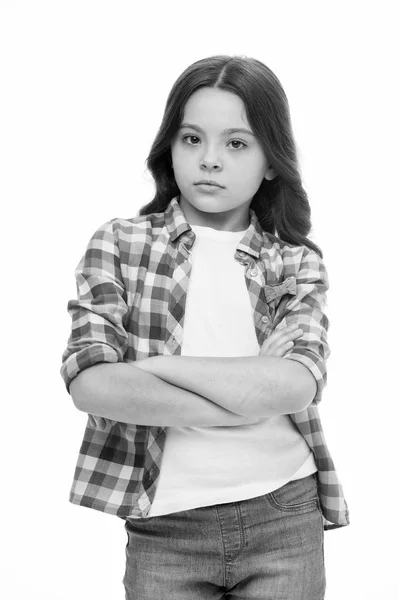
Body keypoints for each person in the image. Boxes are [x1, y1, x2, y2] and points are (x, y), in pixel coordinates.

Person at [60, 54, 350, 599]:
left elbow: (297, 385)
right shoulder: (120, 245)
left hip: (284, 513)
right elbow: (90, 383)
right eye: (192, 139)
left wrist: (152, 370)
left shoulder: (295, 262)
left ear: (270, 160)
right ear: (170, 147)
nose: (209, 160)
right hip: (165, 524)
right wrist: (250, 393)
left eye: (236, 143)